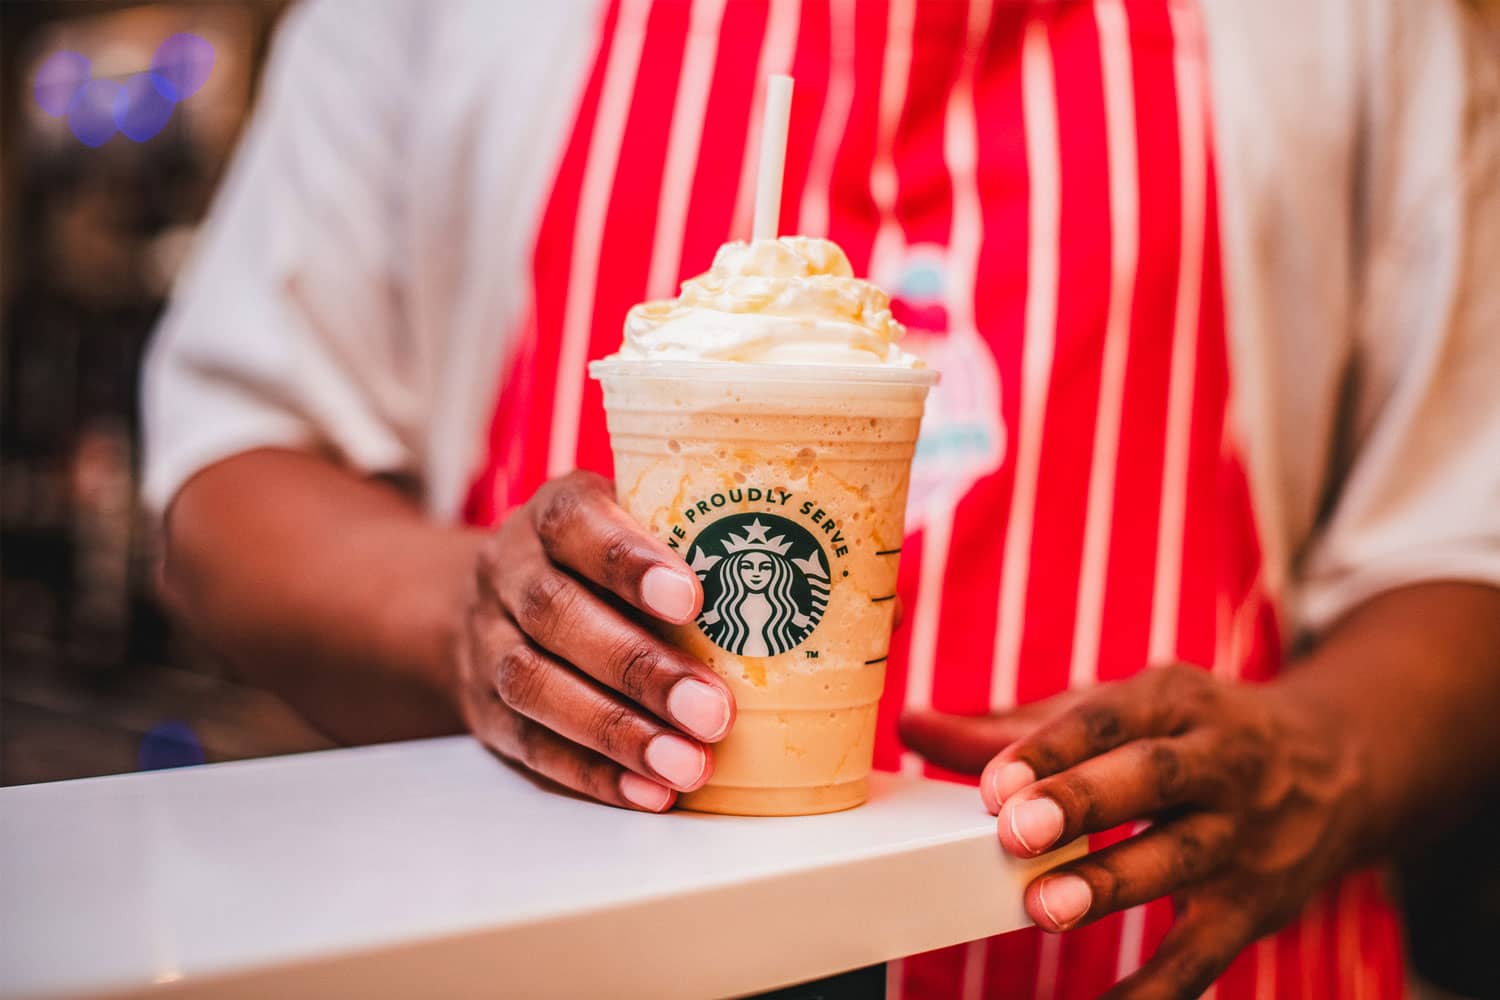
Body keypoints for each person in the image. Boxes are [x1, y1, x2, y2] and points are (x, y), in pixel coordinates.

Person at [143, 1, 1500, 997]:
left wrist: (1327, 747)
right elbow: (231, 476)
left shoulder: (1359, 22)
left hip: (1179, 957)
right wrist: (475, 623)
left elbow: (1467, 530)